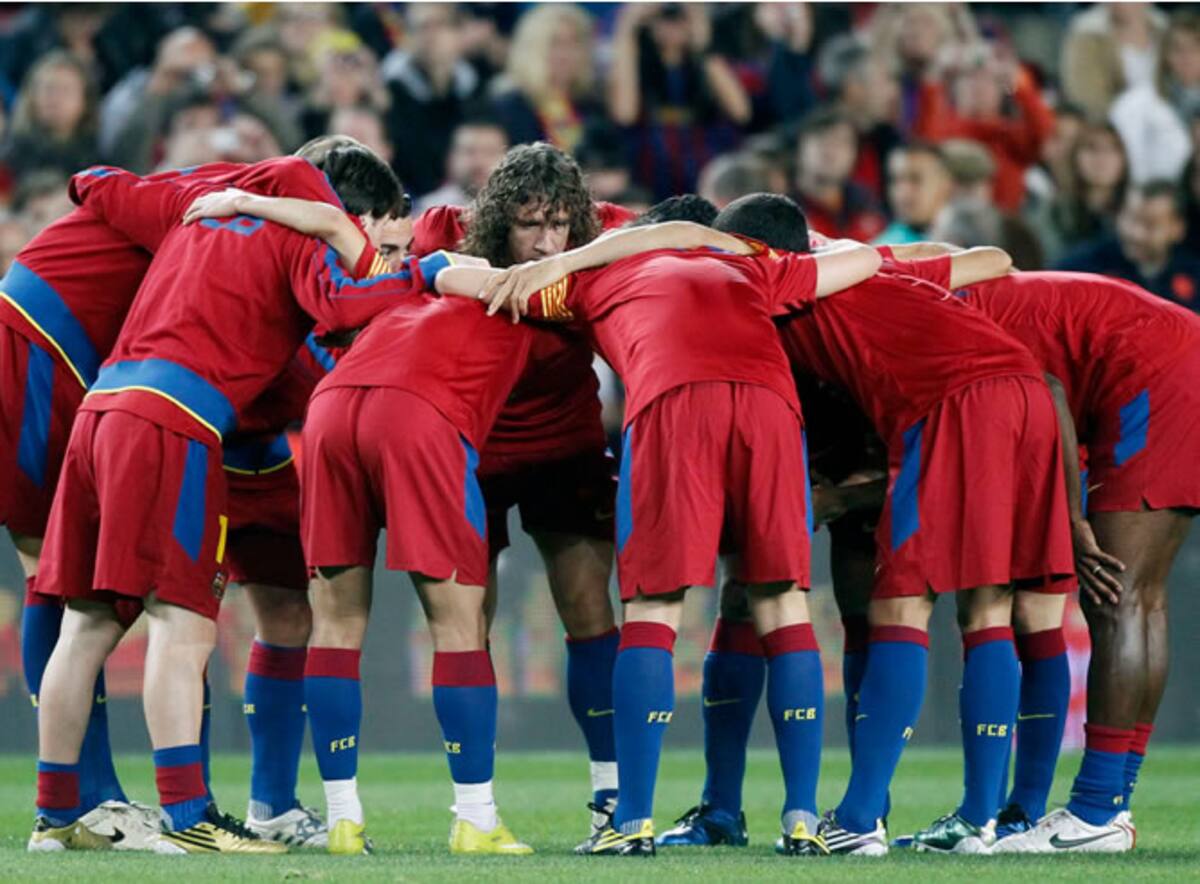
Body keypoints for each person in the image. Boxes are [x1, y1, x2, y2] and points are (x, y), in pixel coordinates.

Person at [29, 149, 434, 854]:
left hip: (102, 410)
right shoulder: (304, 239)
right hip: (175, 421)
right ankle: (190, 817)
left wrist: (216, 190)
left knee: (87, 623)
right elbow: (345, 306)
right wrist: (422, 275)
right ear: (348, 215)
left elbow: (95, 184)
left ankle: (56, 816)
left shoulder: (200, 211)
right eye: (382, 241)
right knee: (182, 624)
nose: (381, 256)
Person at [485, 193, 882, 856]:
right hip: (770, 409)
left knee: (654, 607)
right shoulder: (754, 268)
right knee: (782, 603)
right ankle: (802, 819)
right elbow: (864, 258)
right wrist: (745, 248)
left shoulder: (594, 277)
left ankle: (631, 822)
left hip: (671, 403)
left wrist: (514, 265)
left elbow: (483, 285)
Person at [718, 203, 1075, 854]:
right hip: (1026, 392)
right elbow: (991, 259)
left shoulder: (778, 285)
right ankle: (979, 819)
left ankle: (858, 819)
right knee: (989, 606)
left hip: (954, 405)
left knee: (902, 605)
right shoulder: (875, 271)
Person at [410, 143, 634, 851]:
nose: (545, 242)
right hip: (471, 450)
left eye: (559, 225)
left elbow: (675, 234)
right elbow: (369, 256)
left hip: (567, 445)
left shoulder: (606, 232)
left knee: (590, 612)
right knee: (465, 624)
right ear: (496, 221)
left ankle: (612, 797)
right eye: (529, 225)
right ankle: (475, 809)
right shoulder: (442, 231)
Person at [941, 268, 1200, 853]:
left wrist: (1075, 522)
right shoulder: (947, 294)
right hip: (1170, 359)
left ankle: (1094, 812)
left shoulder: (937, 319)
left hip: (1150, 375)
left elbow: (1048, 391)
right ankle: (1112, 802)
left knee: (1115, 596)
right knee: (1144, 600)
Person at [607, 2, 750, 199]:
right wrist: (628, 28)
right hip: (654, 170)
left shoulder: (705, 62)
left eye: (679, 16)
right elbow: (625, 115)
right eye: (663, 17)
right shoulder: (638, 63)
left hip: (702, 166)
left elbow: (741, 112)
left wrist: (702, 38)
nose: (672, 24)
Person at [912, 42, 1055, 213]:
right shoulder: (941, 129)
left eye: (987, 80)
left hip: (1003, 225)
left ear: (1000, 92)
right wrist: (935, 75)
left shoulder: (1011, 135)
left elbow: (1044, 133)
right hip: (945, 223)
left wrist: (1018, 81)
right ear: (955, 88)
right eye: (969, 78)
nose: (978, 86)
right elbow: (925, 142)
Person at [383, 3, 485, 199]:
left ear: (458, 34)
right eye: (421, 27)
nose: (431, 35)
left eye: (439, 25)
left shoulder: (477, 89)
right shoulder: (388, 94)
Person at [1057, 181, 1200, 309]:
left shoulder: (1194, 274)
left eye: (1150, 225)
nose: (1136, 234)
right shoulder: (1081, 268)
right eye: (1131, 219)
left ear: (1177, 229)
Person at [491, 4, 600, 153]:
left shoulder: (591, 106)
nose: (566, 54)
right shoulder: (507, 107)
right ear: (532, 48)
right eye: (555, 43)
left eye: (575, 43)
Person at [1028, 121, 1129, 265]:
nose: (1101, 158)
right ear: (1075, 156)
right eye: (1092, 148)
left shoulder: (1135, 215)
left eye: (1112, 149)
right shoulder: (1052, 212)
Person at [0, 51, 102, 182]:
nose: (56, 99)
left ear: (85, 101)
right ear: (31, 97)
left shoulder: (96, 162)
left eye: (66, 90)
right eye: (49, 89)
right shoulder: (9, 157)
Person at [792, 108, 887, 242]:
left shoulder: (869, 206)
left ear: (855, 153)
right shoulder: (780, 211)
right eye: (822, 139)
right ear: (800, 146)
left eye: (842, 142)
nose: (831, 151)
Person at [415, 116, 508, 212]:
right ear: (450, 159)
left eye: (490, 152)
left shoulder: (516, 208)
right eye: (469, 152)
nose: (479, 162)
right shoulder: (428, 210)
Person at [874, 142, 953, 245]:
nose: (903, 191)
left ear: (945, 185)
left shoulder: (970, 237)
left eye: (915, 179)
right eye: (895, 180)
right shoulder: (881, 250)